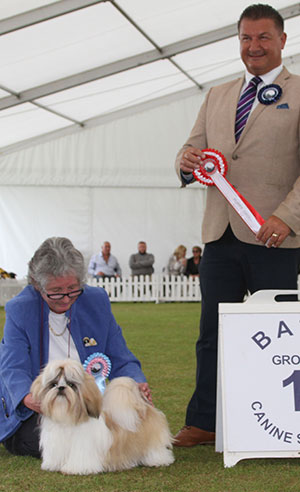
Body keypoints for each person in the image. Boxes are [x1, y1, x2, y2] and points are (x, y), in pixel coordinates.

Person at [174, 4, 300, 447]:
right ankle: (203, 421)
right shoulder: (217, 95)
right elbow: (190, 152)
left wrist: (287, 217)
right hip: (220, 237)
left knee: (282, 335)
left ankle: (285, 422)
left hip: (277, 237)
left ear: (283, 40)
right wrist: (187, 163)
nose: (254, 46)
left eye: (263, 37)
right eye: (246, 38)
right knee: (211, 333)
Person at [0, 237, 152, 458]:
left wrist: (136, 381)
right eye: (55, 291)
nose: (65, 298)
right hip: (42, 408)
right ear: (36, 284)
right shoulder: (19, 310)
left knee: (121, 429)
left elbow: (121, 356)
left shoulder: (96, 301)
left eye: (72, 288)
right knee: (42, 442)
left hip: (87, 403)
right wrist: (27, 397)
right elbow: (12, 366)